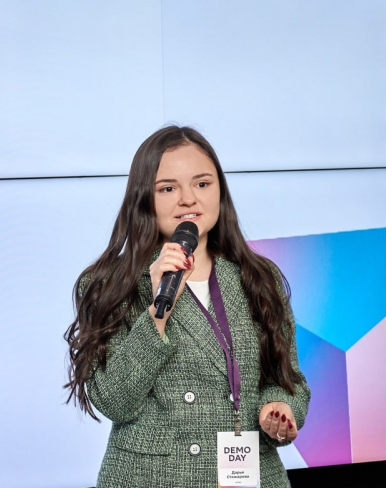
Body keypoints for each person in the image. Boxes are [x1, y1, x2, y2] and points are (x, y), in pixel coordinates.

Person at [65, 125, 310, 488]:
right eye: (168, 188)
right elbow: (114, 401)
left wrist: (279, 410)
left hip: (252, 475)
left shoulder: (258, 277)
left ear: (219, 192)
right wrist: (156, 314)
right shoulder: (109, 284)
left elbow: (286, 380)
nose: (188, 200)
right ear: (143, 199)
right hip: (155, 479)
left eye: (202, 184)